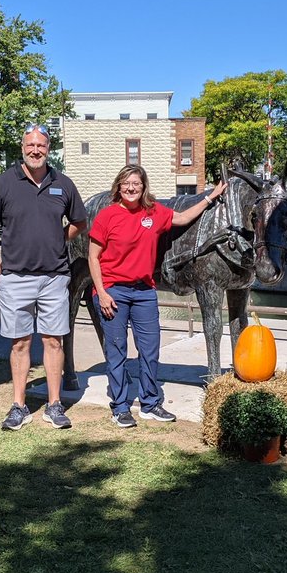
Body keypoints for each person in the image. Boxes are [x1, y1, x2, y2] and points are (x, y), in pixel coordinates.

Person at [88, 165, 226, 429]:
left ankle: (150, 404)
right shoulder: (107, 216)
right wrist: (102, 293)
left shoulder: (153, 213)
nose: (131, 188)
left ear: (143, 187)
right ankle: (120, 408)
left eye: (136, 184)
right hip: (113, 291)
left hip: (144, 293)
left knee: (149, 351)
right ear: (118, 186)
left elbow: (184, 218)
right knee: (116, 351)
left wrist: (211, 196)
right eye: (126, 183)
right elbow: (93, 257)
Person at [0, 124, 87, 431]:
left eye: (41, 145)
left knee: (54, 341)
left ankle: (54, 405)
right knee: (19, 343)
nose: (36, 150)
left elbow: (80, 221)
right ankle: (19, 406)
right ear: (22, 148)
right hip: (14, 277)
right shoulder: (4, 184)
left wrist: (58, 238)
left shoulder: (63, 184)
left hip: (55, 277)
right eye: (30, 145)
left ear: (48, 148)